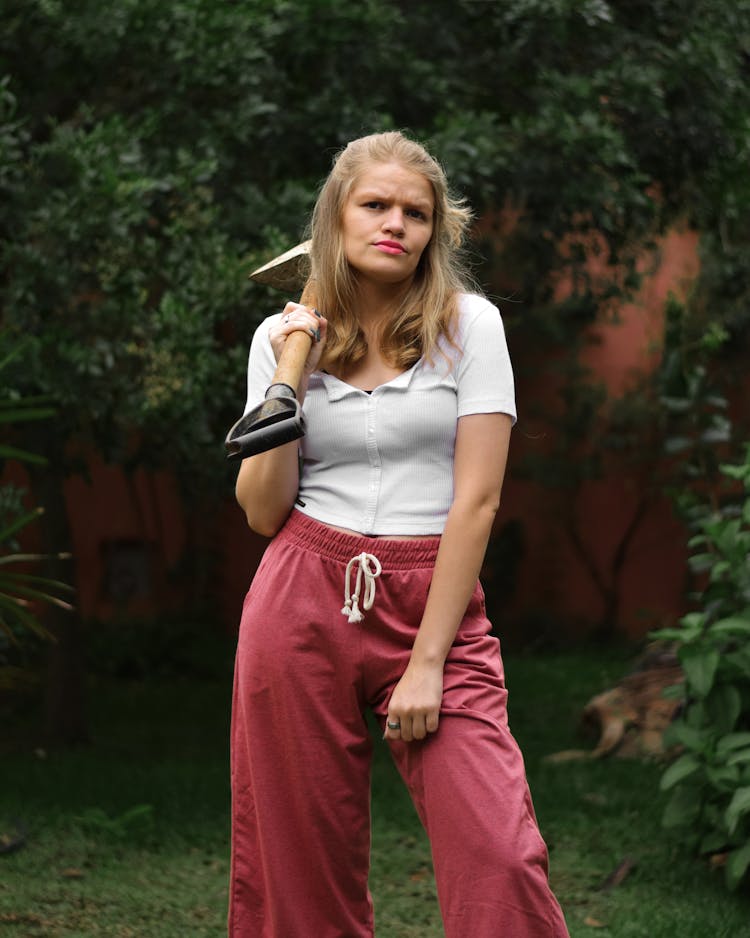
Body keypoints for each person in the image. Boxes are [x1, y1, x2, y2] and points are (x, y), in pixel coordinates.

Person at [229, 130, 569, 938]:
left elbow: (478, 501)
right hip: (300, 592)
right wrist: (291, 366)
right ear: (335, 220)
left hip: (433, 602)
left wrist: (427, 664)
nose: (396, 224)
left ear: (435, 232)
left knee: (498, 850)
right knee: (298, 861)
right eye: (375, 205)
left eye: (416, 213)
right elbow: (261, 512)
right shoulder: (283, 341)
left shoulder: (470, 327)